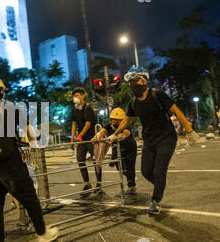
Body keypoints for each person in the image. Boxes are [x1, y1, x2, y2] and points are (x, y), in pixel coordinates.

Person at [0, 75, 59, 242]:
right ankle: (42, 234)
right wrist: (34, 145)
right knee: (30, 199)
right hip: (10, 165)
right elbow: (29, 131)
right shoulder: (12, 109)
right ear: (3, 92)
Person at [112, 66, 199, 215]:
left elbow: (176, 111)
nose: (132, 84)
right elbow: (126, 120)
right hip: (149, 141)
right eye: (130, 82)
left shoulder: (157, 95)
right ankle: (160, 184)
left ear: (143, 81)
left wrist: (189, 131)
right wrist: (114, 134)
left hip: (166, 138)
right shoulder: (133, 102)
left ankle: (156, 201)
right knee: (146, 172)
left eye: (135, 81)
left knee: (159, 170)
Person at [93, 108, 137, 197]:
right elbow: (102, 133)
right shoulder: (108, 126)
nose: (114, 121)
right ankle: (129, 177)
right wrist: (96, 137)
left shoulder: (125, 125)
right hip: (117, 149)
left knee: (129, 167)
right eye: (112, 119)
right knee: (119, 166)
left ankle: (132, 186)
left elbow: (125, 134)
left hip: (129, 148)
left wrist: (116, 136)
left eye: (116, 119)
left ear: (121, 120)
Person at [70, 87, 102, 199]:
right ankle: (87, 184)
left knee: (96, 161)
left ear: (83, 96)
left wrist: (80, 135)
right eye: (74, 96)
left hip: (91, 138)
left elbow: (88, 124)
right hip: (81, 140)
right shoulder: (74, 109)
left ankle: (99, 184)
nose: (76, 97)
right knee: (80, 160)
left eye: (78, 95)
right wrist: (72, 138)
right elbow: (74, 124)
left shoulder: (88, 108)